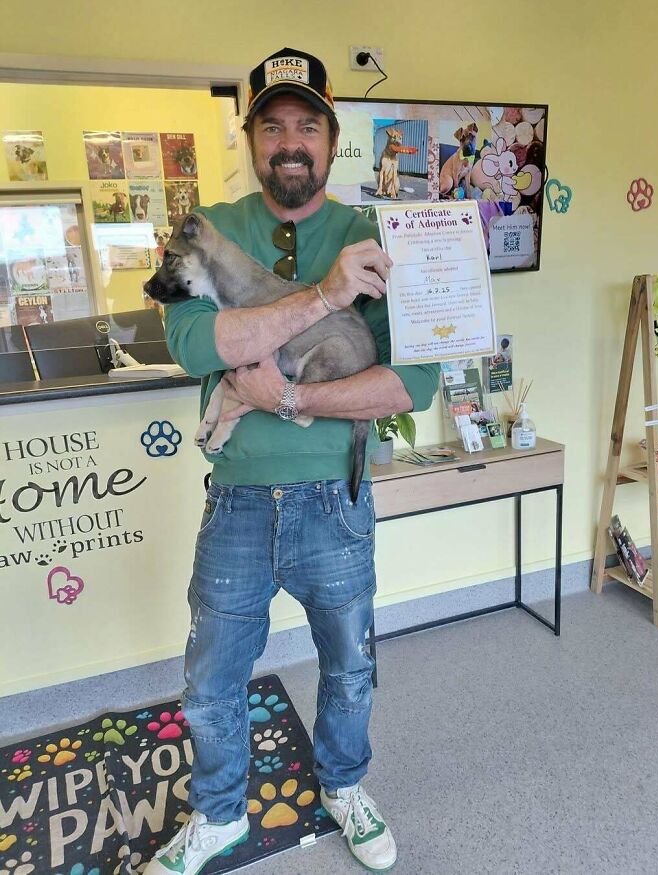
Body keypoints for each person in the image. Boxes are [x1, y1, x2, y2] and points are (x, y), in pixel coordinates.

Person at [145, 47, 439, 875]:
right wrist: (325, 296)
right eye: (272, 125)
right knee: (211, 681)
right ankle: (217, 814)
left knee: (350, 667)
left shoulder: (372, 236)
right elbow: (196, 344)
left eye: (307, 125)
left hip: (335, 501)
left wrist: (287, 396)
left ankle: (343, 784)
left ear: (332, 140)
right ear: (251, 139)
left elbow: (412, 383)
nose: (290, 142)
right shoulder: (208, 225)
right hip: (237, 500)